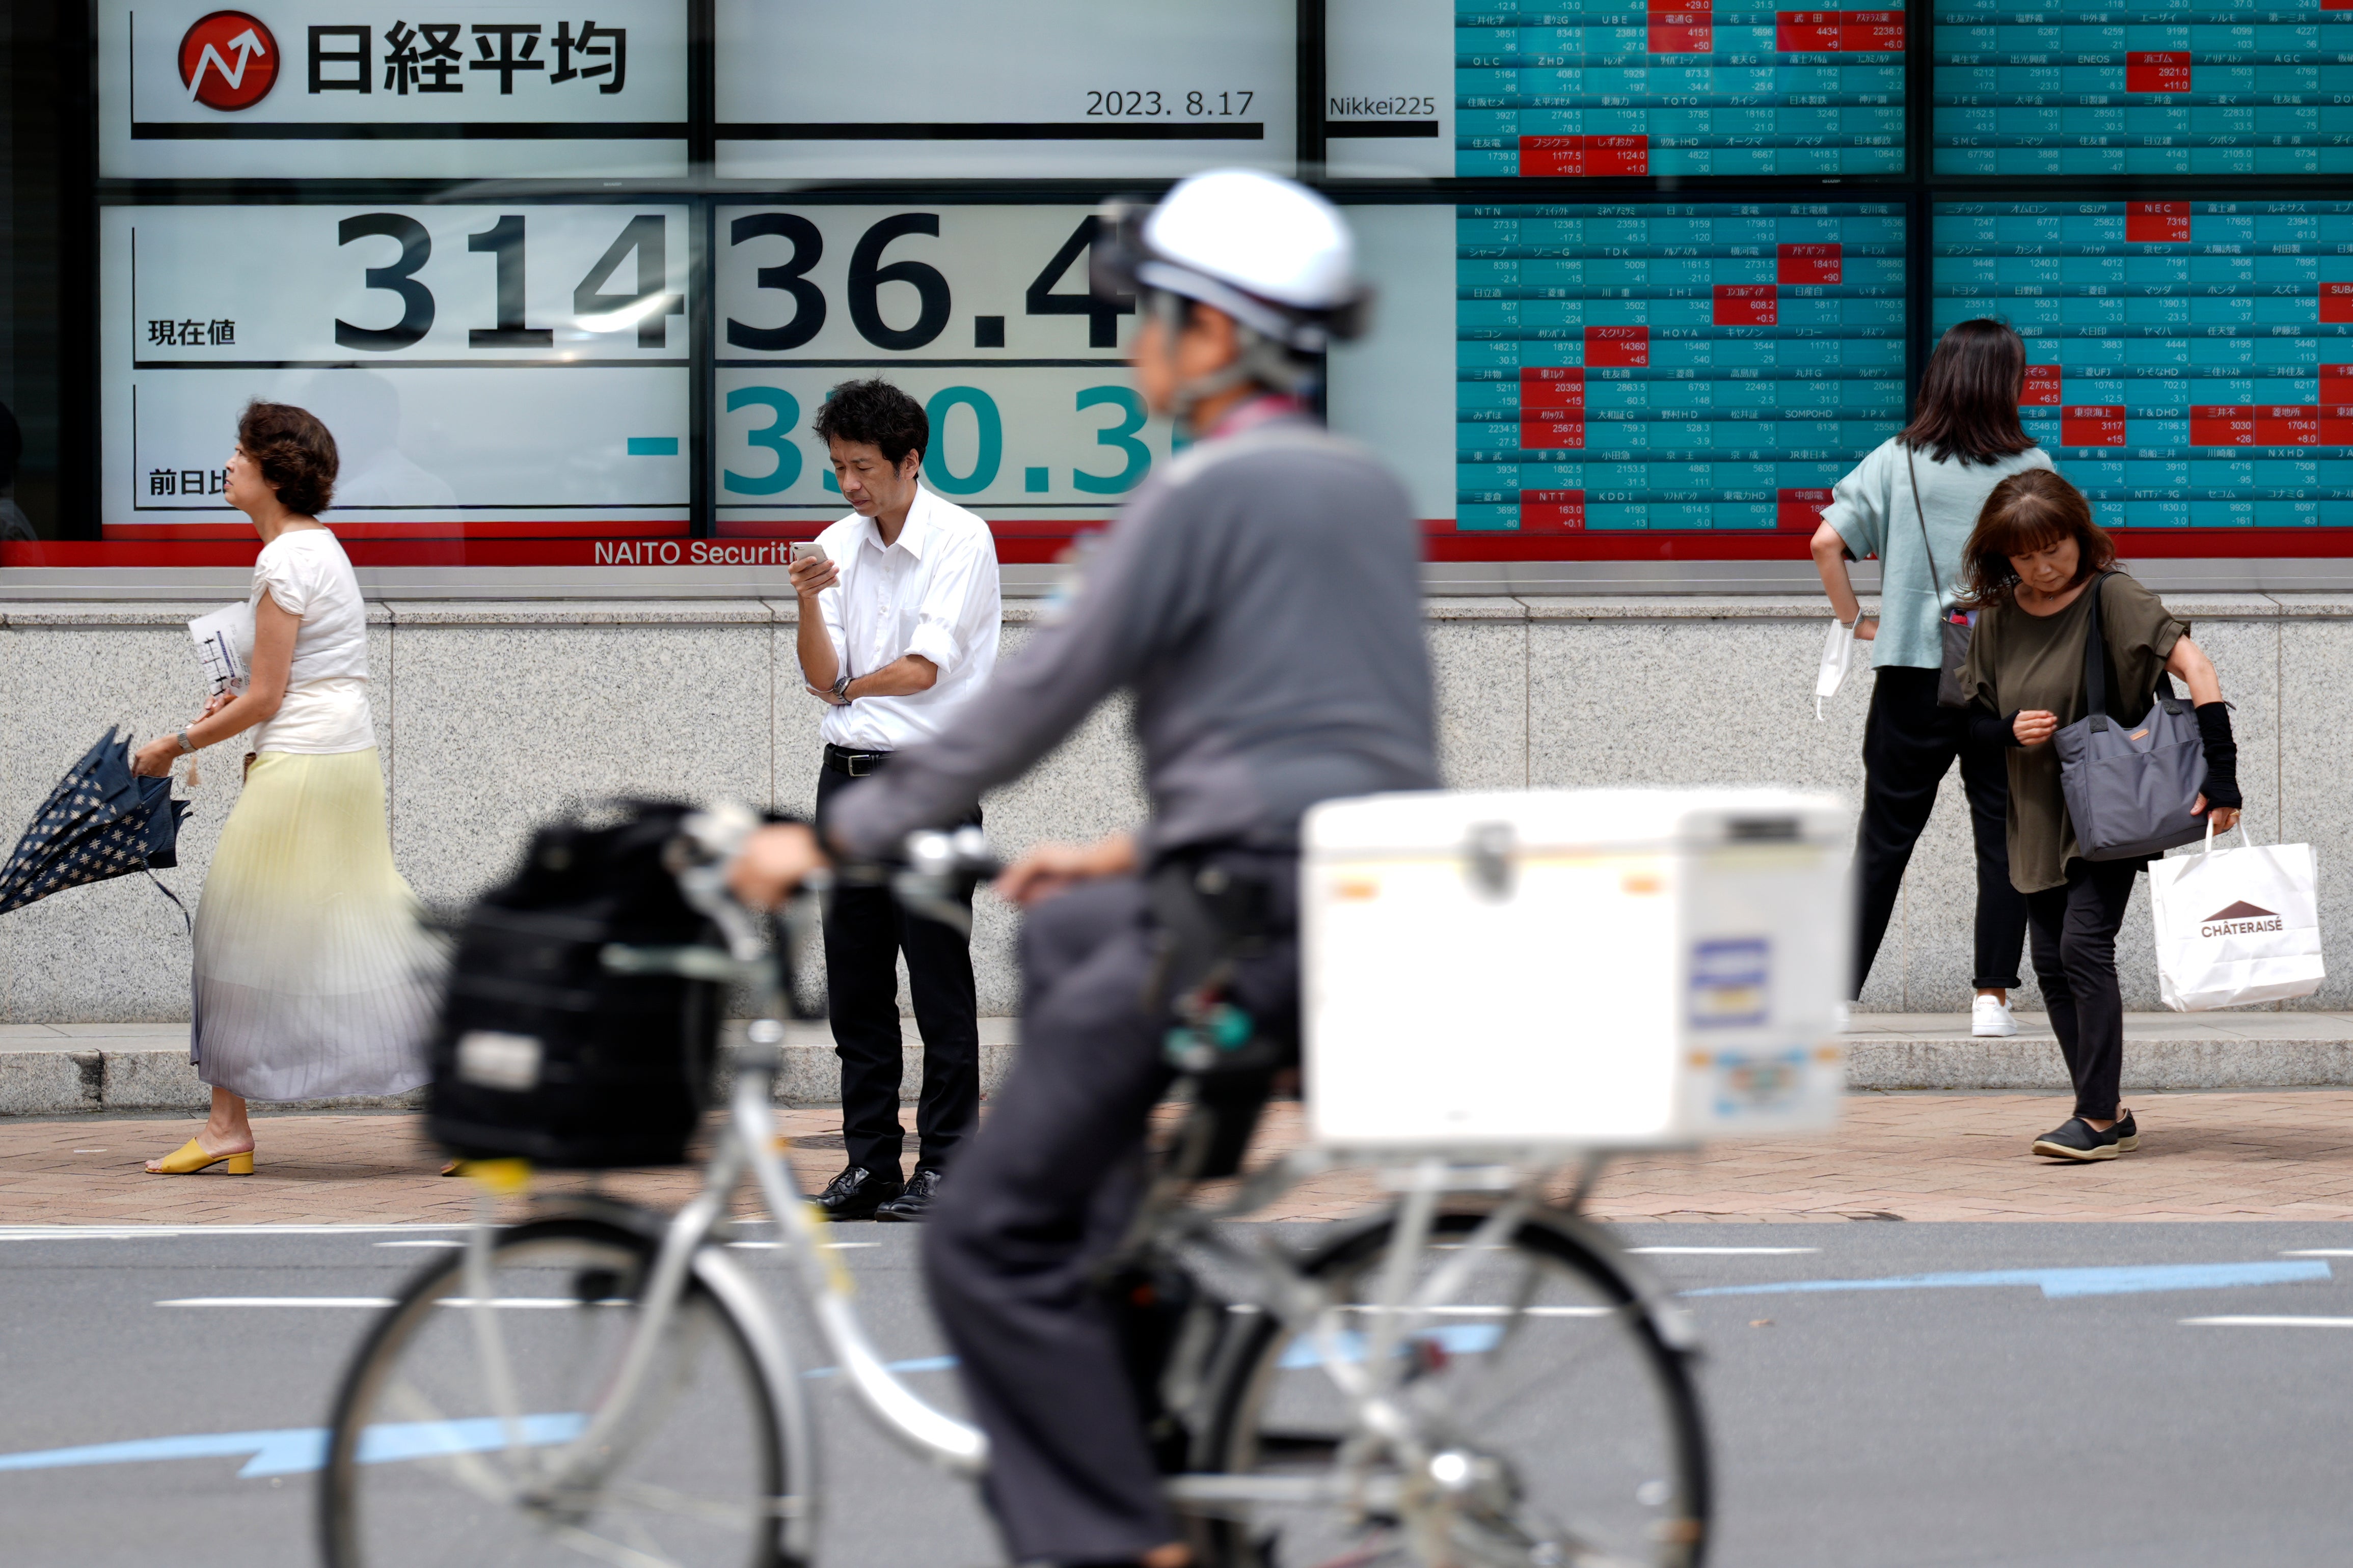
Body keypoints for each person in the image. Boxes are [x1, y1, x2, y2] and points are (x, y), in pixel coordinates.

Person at [732, 169, 1435, 1568]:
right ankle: (1169, 1428)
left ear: (1216, 335)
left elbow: (1013, 707)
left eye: (1150, 316)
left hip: (1245, 932)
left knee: (983, 1240)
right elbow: (1333, 744)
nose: (1131, 344)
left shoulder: (1196, 499)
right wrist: (1129, 846)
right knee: (1081, 1037)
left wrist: (826, 835)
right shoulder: (1359, 489)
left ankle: (1131, 1539)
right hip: (1328, 906)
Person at [130, 401, 440, 1176]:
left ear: (274, 474)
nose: (229, 463)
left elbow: (267, 696)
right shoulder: (315, 550)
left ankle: (229, 1128)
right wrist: (237, 731)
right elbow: (282, 687)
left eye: (242, 453)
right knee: (371, 925)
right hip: (334, 757)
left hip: (307, 760)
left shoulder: (284, 562)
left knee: (235, 927)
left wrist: (177, 744)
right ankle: (486, 1108)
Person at [1955, 469, 2241, 1162]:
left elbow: (2197, 670)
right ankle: (2107, 1106)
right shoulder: (1992, 617)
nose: (2043, 566)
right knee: (2050, 962)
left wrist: (2223, 778)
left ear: (2081, 539)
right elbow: (1964, 720)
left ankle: (2096, 1117)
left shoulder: (2114, 596)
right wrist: (2007, 731)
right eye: (2025, 556)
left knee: (2084, 947)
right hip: (2035, 806)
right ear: (2004, 556)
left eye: (2055, 548)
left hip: (2109, 808)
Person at [786, 379, 1001, 1223]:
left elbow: (926, 669)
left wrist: (848, 685)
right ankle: (870, 1163)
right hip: (846, 779)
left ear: (911, 462)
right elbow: (816, 677)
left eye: (865, 468)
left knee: (939, 984)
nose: (850, 486)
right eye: (838, 467)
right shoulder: (835, 543)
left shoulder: (963, 539)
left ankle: (949, 1165)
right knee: (857, 986)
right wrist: (808, 598)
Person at [1811, 318, 2052, 1037]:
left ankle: (1835, 999)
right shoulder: (2033, 467)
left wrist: (1858, 620)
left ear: (1939, 378)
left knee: (1884, 837)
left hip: (1912, 676)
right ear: (2006, 383)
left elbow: (1826, 542)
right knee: (2004, 838)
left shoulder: (1895, 460)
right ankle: (1990, 1000)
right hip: (2006, 683)